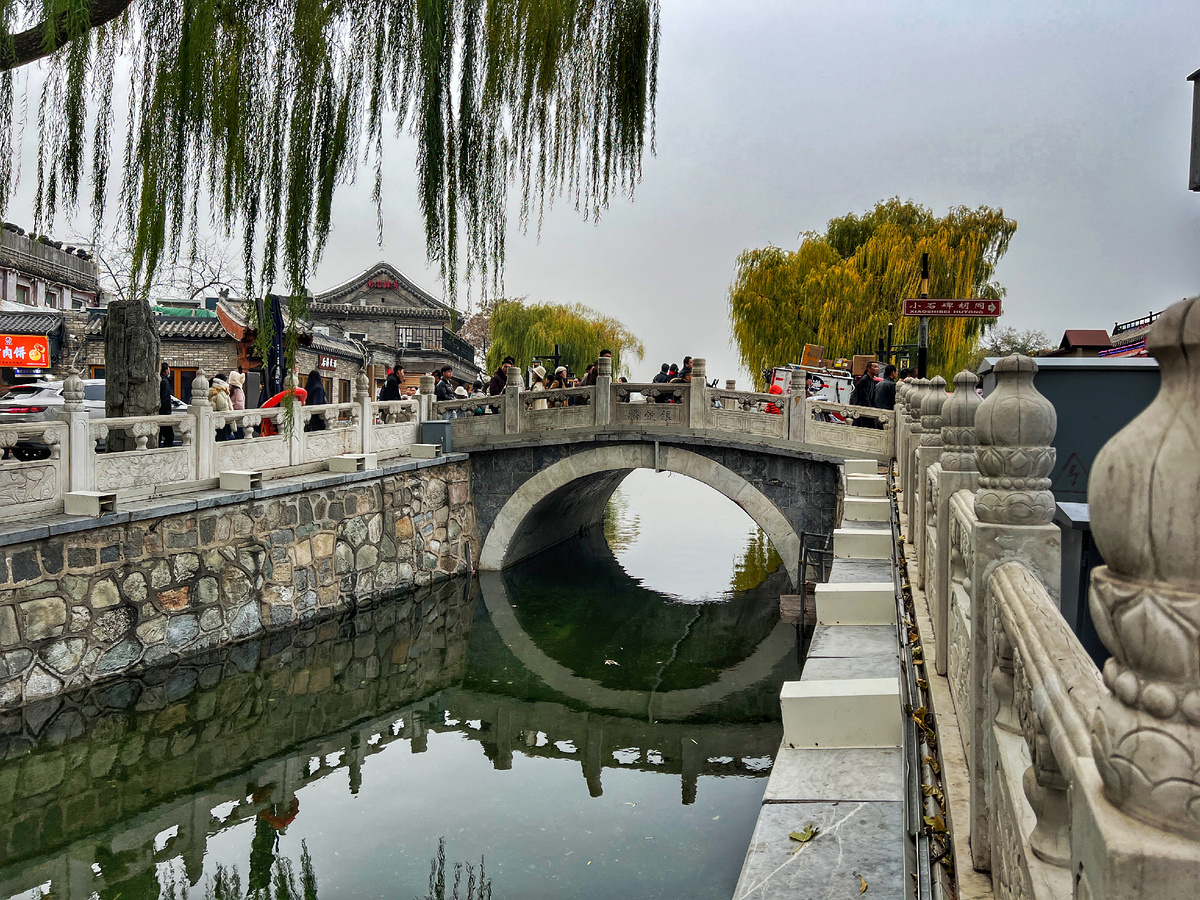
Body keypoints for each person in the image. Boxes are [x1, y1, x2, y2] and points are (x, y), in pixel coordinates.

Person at [849, 360, 879, 426]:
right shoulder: (864, 380)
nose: (877, 369)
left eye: (877, 367)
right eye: (875, 367)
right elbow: (863, 397)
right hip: (862, 410)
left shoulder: (872, 381)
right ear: (869, 368)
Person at [159, 362, 175, 447]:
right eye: (169, 369)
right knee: (169, 436)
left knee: (160, 435)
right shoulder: (165, 382)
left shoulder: (162, 380)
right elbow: (164, 398)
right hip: (164, 413)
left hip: (161, 412)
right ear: (166, 370)